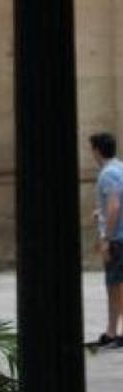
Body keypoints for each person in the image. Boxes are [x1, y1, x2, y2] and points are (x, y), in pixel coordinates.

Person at [90, 131, 123, 348]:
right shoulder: (119, 168)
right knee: (114, 284)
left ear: (97, 151)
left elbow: (114, 205)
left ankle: (114, 332)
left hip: (117, 238)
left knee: (115, 285)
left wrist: (106, 237)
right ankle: (111, 331)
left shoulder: (108, 174)